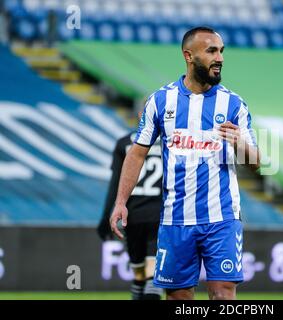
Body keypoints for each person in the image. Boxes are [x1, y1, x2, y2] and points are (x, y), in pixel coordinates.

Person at [110, 26, 260, 300]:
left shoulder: (234, 104)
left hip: (222, 217)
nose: (220, 58)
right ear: (188, 56)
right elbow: (137, 153)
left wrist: (239, 144)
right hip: (175, 218)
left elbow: (256, 163)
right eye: (212, 51)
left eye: (222, 51)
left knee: (223, 292)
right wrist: (121, 201)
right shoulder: (160, 101)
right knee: (179, 296)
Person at [97, 128, 164, 300]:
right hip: (160, 214)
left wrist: (105, 217)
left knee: (140, 277)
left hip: (132, 216)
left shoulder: (124, 142)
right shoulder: (170, 141)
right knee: (151, 278)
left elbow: (115, 182)